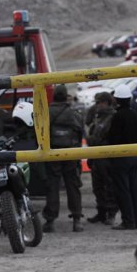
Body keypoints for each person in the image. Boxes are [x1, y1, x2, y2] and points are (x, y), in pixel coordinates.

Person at [42, 84, 84, 232]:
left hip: (52, 152)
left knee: (52, 186)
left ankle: (50, 221)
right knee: (73, 185)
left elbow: (40, 133)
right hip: (71, 153)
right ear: (66, 96)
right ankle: (77, 220)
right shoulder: (74, 113)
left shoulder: (47, 113)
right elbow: (81, 132)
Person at [106, 83, 137, 230]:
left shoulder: (118, 116)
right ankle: (136, 220)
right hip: (135, 156)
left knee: (123, 190)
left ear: (117, 99)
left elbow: (112, 138)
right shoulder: (135, 114)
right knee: (133, 190)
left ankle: (128, 221)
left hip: (121, 158)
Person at [84, 91, 118, 225]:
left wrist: (89, 139)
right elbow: (88, 124)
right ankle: (101, 212)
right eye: (96, 102)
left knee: (109, 187)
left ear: (107, 103)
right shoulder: (97, 117)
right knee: (97, 187)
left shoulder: (112, 117)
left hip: (106, 158)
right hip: (96, 158)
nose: (97, 105)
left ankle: (111, 213)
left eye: (100, 102)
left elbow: (99, 138)